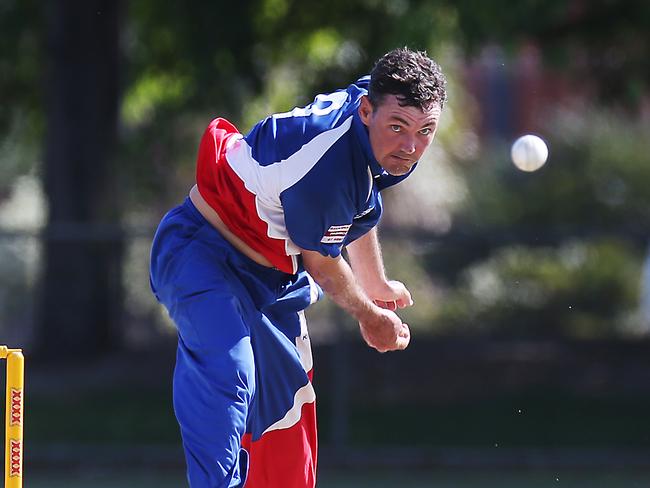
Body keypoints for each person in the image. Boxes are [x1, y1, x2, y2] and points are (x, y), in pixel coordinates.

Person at [149, 47, 447, 488]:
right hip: (202, 255)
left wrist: (374, 280)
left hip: (272, 279)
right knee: (230, 373)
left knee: (287, 424)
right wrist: (369, 314)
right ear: (366, 111)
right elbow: (323, 263)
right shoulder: (328, 162)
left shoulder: (380, 121)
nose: (410, 145)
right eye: (399, 127)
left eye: (426, 130)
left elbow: (355, 206)